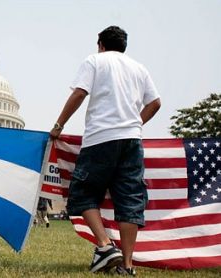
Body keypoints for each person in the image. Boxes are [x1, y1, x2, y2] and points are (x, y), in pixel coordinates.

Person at [50, 26, 161, 275]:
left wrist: (59, 125)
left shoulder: (95, 61)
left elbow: (80, 93)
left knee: (82, 192)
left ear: (100, 44)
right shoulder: (139, 68)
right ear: (124, 46)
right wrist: (134, 123)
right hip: (132, 140)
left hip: (101, 138)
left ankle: (104, 246)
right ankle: (128, 265)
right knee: (130, 199)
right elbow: (155, 103)